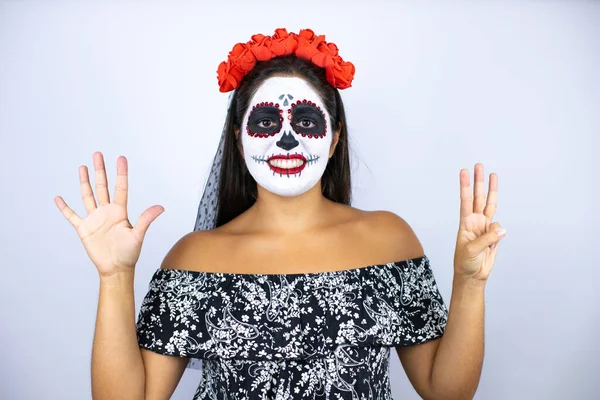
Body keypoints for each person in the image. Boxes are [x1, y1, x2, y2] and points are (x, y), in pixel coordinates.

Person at [55, 28, 506, 400]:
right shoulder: (194, 258)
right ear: (239, 138)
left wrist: (469, 283)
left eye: (306, 122)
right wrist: (114, 277)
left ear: (332, 140)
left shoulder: (389, 240)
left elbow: (447, 392)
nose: (287, 142)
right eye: (267, 122)